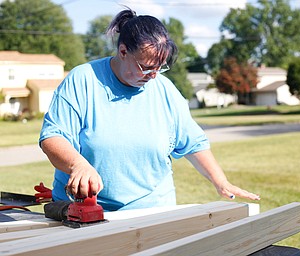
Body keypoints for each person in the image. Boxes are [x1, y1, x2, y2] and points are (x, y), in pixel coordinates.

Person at [39, 7, 260, 211]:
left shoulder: (164, 89)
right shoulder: (83, 79)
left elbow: (193, 143)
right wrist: (78, 165)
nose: (153, 75)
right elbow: (53, 137)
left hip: (153, 211)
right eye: (145, 67)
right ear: (123, 51)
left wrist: (220, 182)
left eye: (159, 68)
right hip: (87, 211)